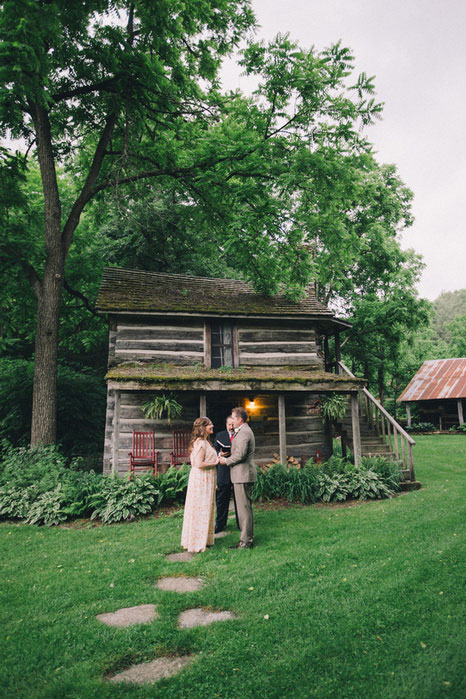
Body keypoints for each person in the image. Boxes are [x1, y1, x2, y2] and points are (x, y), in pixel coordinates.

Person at [218, 407, 257, 549]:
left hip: (243, 475)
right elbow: (239, 452)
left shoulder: (244, 432)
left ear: (240, 419)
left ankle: (246, 542)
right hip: (241, 475)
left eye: (233, 418)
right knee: (243, 509)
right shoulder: (242, 431)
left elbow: (241, 455)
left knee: (244, 509)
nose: (232, 420)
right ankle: (246, 539)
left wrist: (226, 461)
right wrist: (229, 455)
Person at [181, 417, 219, 553]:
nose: (212, 425)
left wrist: (217, 457)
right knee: (200, 508)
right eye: (209, 424)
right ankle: (196, 542)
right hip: (201, 480)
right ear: (202, 428)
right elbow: (198, 464)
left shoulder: (206, 442)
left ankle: (204, 539)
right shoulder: (201, 443)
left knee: (206, 508)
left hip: (206, 478)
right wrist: (216, 463)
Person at [214, 416, 239, 535]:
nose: (231, 427)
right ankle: (220, 524)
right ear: (226, 425)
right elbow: (215, 449)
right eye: (229, 425)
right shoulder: (220, 435)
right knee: (221, 499)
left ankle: (241, 523)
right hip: (223, 470)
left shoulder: (240, 435)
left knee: (239, 498)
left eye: (233, 424)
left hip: (237, 469)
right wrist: (220, 453)